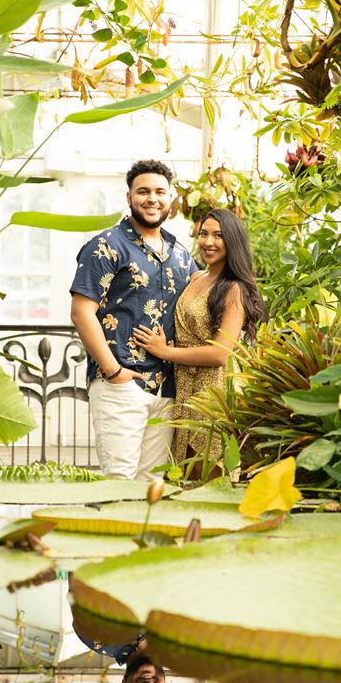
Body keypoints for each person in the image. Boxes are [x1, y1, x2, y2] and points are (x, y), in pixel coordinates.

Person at [70, 160, 199, 480]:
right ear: (129, 197)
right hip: (120, 382)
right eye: (143, 191)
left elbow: (204, 297)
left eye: (160, 192)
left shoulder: (180, 253)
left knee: (152, 484)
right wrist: (114, 371)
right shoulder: (106, 245)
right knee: (119, 480)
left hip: (167, 388)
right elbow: (81, 312)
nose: (152, 198)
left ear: (171, 198)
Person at [133, 208, 267, 477]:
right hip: (184, 389)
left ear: (232, 241)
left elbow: (220, 354)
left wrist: (165, 351)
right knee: (183, 475)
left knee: (208, 475)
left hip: (212, 394)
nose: (208, 242)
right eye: (204, 234)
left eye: (218, 235)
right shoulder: (196, 277)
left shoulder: (234, 289)